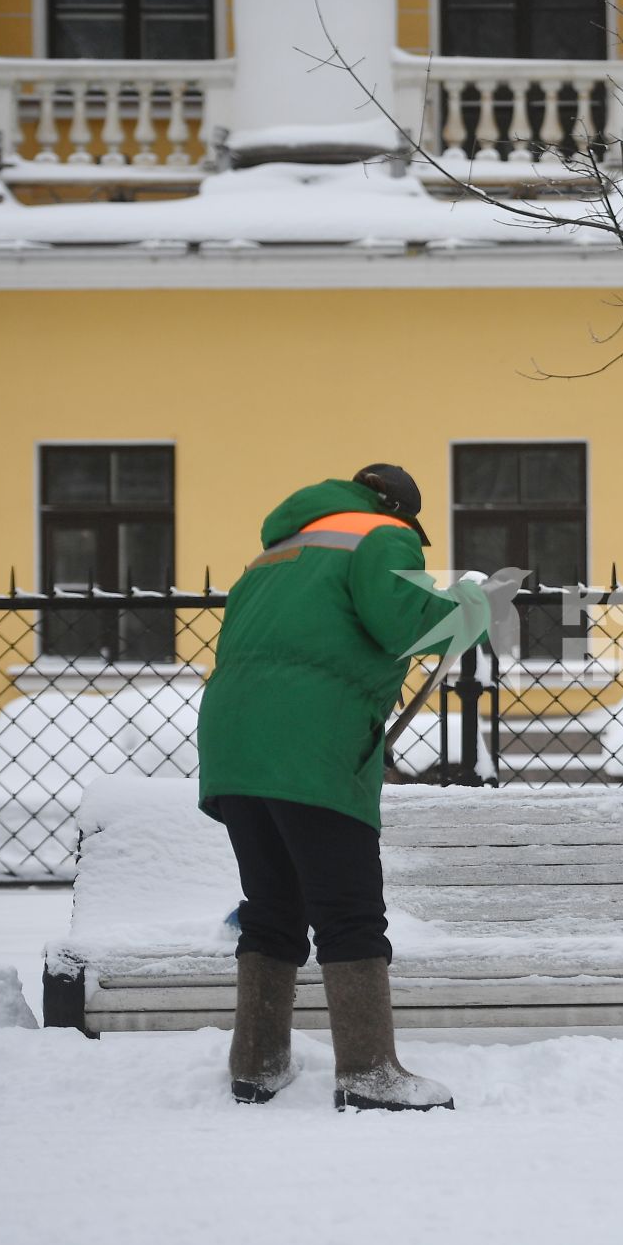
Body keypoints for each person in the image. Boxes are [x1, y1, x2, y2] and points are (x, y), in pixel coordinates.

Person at [198, 464, 488, 1112]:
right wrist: (475, 607)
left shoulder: (277, 552)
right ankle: (369, 1072)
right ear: (401, 511)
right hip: (312, 741)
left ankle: (256, 1064)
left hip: (234, 742)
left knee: (271, 904)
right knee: (348, 907)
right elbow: (403, 624)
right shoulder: (380, 535)